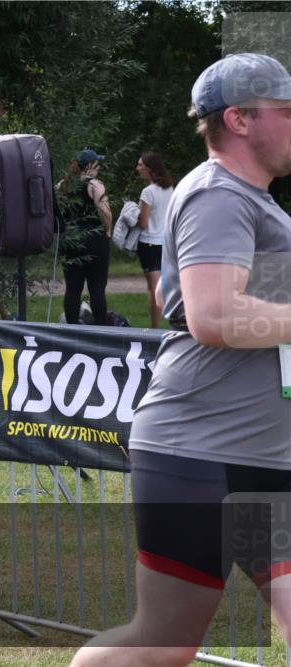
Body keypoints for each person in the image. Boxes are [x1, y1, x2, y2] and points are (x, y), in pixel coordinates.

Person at [71, 53, 291, 667]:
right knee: (160, 646)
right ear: (240, 119)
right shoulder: (218, 194)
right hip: (198, 457)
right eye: (287, 110)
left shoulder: (257, 202)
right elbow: (213, 316)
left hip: (264, 459)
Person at [58, 149, 113, 325]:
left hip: (70, 240)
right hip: (94, 239)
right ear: (90, 165)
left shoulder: (63, 185)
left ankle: (72, 328)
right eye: (97, 163)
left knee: (72, 289)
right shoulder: (95, 185)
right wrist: (108, 231)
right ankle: (101, 330)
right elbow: (105, 212)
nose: (99, 167)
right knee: (97, 289)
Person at [134, 151, 174, 328]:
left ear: (149, 168)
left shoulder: (148, 192)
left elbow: (143, 223)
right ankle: (171, 322)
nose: (137, 168)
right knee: (163, 286)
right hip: (165, 243)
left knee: (153, 288)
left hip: (149, 243)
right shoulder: (169, 189)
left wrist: (131, 214)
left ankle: (154, 329)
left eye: (140, 165)